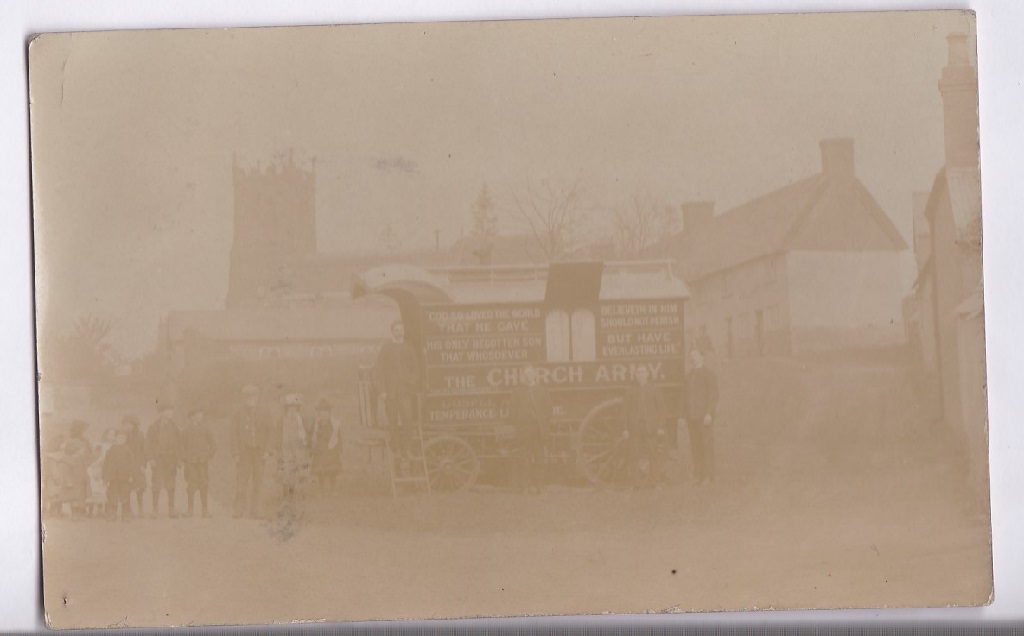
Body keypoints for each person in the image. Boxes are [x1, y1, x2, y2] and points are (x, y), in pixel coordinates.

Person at [375, 321, 421, 459]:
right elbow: (379, 370)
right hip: (390, 391)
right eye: (396, 330)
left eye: (401, 330)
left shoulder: (409, 349)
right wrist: (382, 391)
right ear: (392, 332)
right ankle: (395, 446)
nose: (399, 332)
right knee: (392, 419)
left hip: (405, 391)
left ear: (404, 332)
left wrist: (410, 381)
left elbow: (416, 369)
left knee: (407, 418)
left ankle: (407, 447)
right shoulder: (386, 349)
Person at [230, 384, 274, 518]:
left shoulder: (265, 412)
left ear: (257, 396)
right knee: (241, 482)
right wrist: (236, 453)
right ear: (244, 398)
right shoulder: (238, 413)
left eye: (253, 396)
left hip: (259, 453)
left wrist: (268, 450)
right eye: (248, 396)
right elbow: (233, 433)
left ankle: (255, 510)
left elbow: (271, 432)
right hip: (244, 453)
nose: (251, 399)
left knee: (258, 482)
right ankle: (239, 510)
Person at [622, 365, 668, 489]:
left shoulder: (654, 389)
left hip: (650, 427)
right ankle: (634, 483)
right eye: (638, 372)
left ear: (647, 374)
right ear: (635, 375)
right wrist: (625, 428)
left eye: (643, 372)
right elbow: (625, 410)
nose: (640, 374)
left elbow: (661, 409)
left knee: (653, 454)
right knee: (634, 455)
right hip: (635, 428)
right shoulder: (630, 390)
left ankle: (655, 482)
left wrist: (660, 426)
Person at [509, 364, 552, 494]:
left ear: (535, 375)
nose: (528, 376)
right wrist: (519, 424)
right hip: (524, 429)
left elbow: (548, 409)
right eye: (525, 374)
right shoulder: (518, 391)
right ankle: (525, 487)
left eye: (530, 374)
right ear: (523, 377)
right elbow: (512, 411)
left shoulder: (542, 390)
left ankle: (540, 486)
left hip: (538, 429)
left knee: (540, 458)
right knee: (524, 458)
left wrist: (543, 424)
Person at [681, 348, 720, 486]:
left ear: (702, 357)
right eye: (690, 356)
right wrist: (685, 414)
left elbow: (713, 396)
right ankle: (698, 475)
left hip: (704, 417)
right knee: (695, 446)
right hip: (692, 417)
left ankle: (708, 476)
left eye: (695, 355)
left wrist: (709, 413)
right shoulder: (689, 376)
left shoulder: (709, 374)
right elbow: (685, 397)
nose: (692, 358)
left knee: (706, 445)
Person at [146, 402, 182, 518]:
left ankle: (171, 509)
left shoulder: (174, 426)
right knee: (156, 484)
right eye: (168, 410)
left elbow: (178, 444)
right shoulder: (153, 427)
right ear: (162, 412)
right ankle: (155, 509)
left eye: (172, 410)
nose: (171, 413)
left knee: (171, 484)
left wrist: (179, 459)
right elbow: (148, 443)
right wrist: (151, 458)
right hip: (158, 459)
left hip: (170, 459)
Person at [182, 406, 216, 517]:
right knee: (191, 485)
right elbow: (181, 447)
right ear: (192, 417)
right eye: (199, 414)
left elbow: (213, 445)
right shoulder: (186, 431)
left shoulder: (205, 429)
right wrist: (186, 459)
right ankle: (190, 510)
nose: (201, 416)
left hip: (202, 462)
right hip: (191, 463)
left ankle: (204, 510)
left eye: (201, 413)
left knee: (204, 484)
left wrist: (207, 456)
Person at [57, 421, 93, 519]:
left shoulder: (85, 441)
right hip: (73, 470)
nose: (85, 433)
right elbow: (68, 454)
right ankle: (74, 514)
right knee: (74, 493)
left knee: (82, 493)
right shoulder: (71, 441)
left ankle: (80, 513)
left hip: (82, 470)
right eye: (83, 430)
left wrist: (88, 460)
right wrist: (74, 458)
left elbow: (89, 454)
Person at [278, 394, 311, 498]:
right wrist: (279, 446)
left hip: (299, 446)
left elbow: (307, 432)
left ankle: (301, 492)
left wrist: (306, 443)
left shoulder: (300, 419)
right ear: (286, 407)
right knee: (287, 468)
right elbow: (278, 433)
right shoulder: (283, 419)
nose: (292, 409)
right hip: (286, 447)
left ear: (297, 407)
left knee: (301, 468)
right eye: (290, 406)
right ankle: (288, 491)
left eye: (294, 406)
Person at [102, 429, 138, 523]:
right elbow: (106, 464)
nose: (122, 439)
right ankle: (112, 514)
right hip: (113, 478)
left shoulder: (128, 450)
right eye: (120, 437)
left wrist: (131, 476)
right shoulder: (111, 450)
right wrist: (105, 477)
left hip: (124, 478)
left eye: (124, 438)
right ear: (116, 438)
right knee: (112, 496)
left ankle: (125, 515)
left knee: (125, 496)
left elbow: (132, 464)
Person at [309, 399, 341, 495]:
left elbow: (338, 438)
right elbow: (312, 438)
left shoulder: (335, 424)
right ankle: (321, 488)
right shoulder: (316, 425)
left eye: (326, 412)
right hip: (320, 451)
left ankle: (333, 488)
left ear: (329, 413)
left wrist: (339, 449)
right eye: (321, 412)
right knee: (320, 471)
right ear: (318, 413)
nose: (324, 414)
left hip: (331, 451)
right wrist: (313, 449)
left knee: (332, 470)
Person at [123, 414, 148, 517]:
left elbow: (144, 451)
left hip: (138, 464)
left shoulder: (140, 435)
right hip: (127, 465)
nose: (127, 426)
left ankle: (141, 509)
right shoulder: (122, 435)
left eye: (129, 424)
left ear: (134, 425)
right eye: (125, 424)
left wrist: (143, 465)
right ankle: (128, 509)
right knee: (127, 487)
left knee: (140, 487)